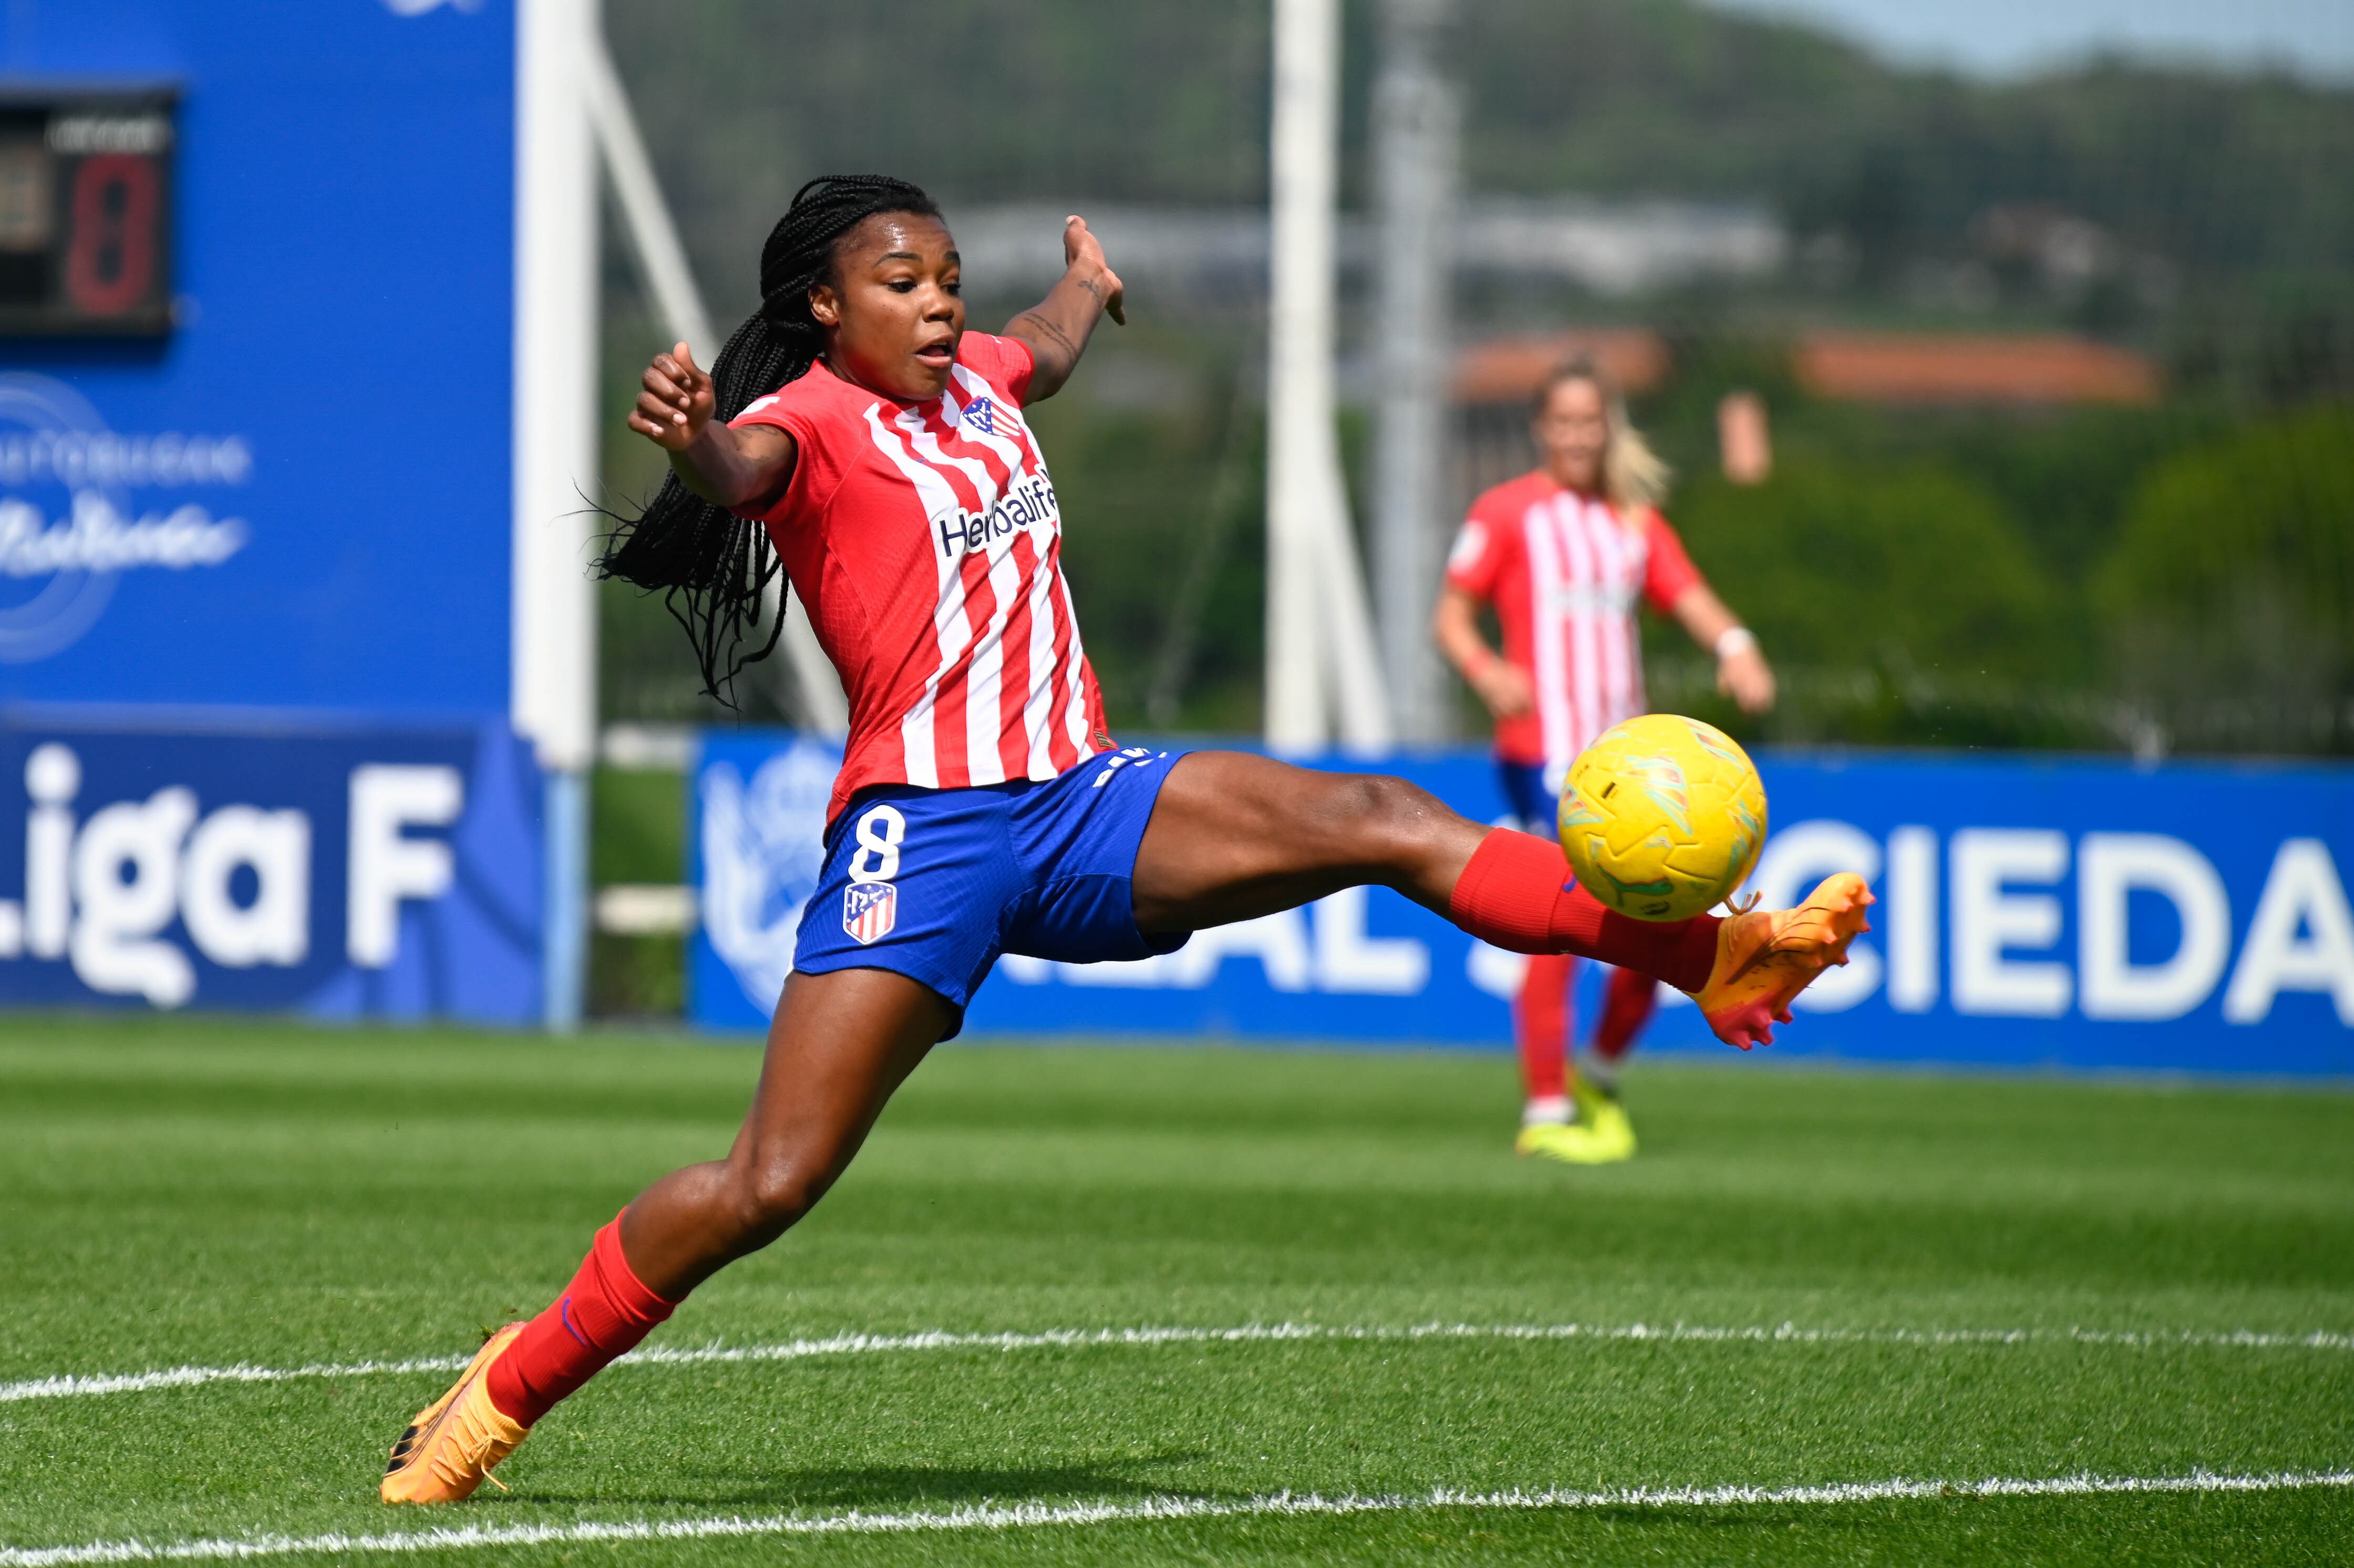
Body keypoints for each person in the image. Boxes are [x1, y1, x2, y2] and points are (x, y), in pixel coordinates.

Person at [379, 177, 1868, 1504]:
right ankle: (502, 1395)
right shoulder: (807, 426)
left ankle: (1711, 955)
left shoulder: (988, 386)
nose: (941, 299)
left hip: (1088, 800)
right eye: (902, 282)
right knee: (769, 1185)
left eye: (948, 274)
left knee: (1380, 818)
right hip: (930, 837)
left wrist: (1086, 284)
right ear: (825, 309)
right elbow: (742, 480)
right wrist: (699, 441)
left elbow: (1049, 339)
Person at [1433, 361, 1777, 1166]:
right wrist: (1488, 672)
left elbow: (1687, 592)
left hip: (1637, 769)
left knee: (1668, 924)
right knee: (1556, 921)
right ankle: (1547, 1108)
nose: (1579, 435)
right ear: (1541, 428)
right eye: (1565, 421)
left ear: (1609, 428)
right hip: (1543, 758)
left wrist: (1737, 645)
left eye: (1593, 421)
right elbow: (1451, 617)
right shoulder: (1507, 513)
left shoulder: (1632, 521)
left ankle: (1602, 1072)